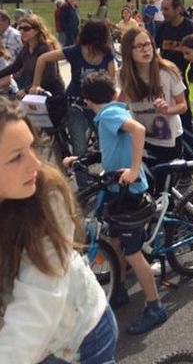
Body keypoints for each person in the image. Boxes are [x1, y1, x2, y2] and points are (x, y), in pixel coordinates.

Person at [0, 97, 117, 362]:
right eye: (17, 157)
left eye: (31, 148)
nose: (35, 164)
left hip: (80, 336)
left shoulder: (46, 199)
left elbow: (39, 300)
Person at [65, 72, 168, 335]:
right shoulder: (111, 112)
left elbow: (139, 130)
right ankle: (119, 288)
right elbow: (112, 148)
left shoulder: (109, 115)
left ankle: (155, 306)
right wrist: (82, 159)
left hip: (129, 192)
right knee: (114, 241)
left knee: (133, 251)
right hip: (116, 190)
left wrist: (134, 169)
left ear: (87, 101)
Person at [30, 18, 116, 187]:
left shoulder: (107, 54)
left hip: (100, 106)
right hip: (76, 103)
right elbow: (43, 59)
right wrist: (35, 84)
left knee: (107, 143)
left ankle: (109, 180)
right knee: (79, 147)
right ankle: (84, 187)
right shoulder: (76, 51)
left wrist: (112, 104)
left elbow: (111, 82)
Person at [120, 27, 188, 194]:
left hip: (169, 139)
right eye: (140, 46)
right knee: (146, 189)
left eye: (148, 44)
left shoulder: (167, 70)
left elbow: (183, 106)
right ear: (129, 51)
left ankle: (172, 216)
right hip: (143, 139)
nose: (146, 49)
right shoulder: (124, 75)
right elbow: (121, 103)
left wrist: (167, 109)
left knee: (164, 191)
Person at [155, 0, 193, 186]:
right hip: (164, 83)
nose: (163, 12)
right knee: (165, 123)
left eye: (166, 9)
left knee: (185, 125)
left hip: (184, 83)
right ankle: (168, 166)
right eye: (162, 8)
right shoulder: (163, 28)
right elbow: (158, 51)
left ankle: (188, 168)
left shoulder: (190, 28)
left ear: (178, 9)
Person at [0, 15, 65, 106]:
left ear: (37, 30)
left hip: (51, 96)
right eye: (20, 28)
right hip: (34, 95)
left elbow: (50, 76)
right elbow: (14, 67)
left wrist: (26, 90)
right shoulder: (26, 48)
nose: (22, 31)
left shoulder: (46, 48)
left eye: (26, 28)